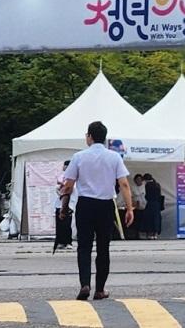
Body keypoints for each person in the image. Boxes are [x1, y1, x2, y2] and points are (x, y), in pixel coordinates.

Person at [59, 121, 133, 301]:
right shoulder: (114, 157)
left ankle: (85, 284)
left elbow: (68, 186)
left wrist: (63, 207)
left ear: (90, 136)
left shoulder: (79, 157)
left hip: (85, 204)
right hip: (106, 205)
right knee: (103, 247)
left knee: (84, 247)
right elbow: (123, 183)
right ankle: (100, 289)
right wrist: (130, 208)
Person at [54, 160, 74, 252]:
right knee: (59, 224)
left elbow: (70, 188)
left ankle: (68, 242)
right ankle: (60, 241)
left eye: (65, 165)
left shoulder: (71, 176)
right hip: (59, 203)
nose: (63, 167)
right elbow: (58, 187)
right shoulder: (62, 176)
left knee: (67, 224)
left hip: (68, 204)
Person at [142, 176, 163, 240]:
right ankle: (155, 234)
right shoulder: (157, 184)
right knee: (156, 218)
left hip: (150, 203)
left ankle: (150, 234)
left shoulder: (148, 185)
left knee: (149, 218)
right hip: (157, 204)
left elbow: (147, 195)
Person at [130, 174, 146, 239]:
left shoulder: (145, 187)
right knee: (137, 221)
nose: (138, 181)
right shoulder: (133, 187)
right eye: (137, 180)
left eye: (139, 179)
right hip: (137, 206)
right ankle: (137, 234)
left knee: (145, 220)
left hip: (145, 206)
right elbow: (131, 197)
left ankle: (144, 234)